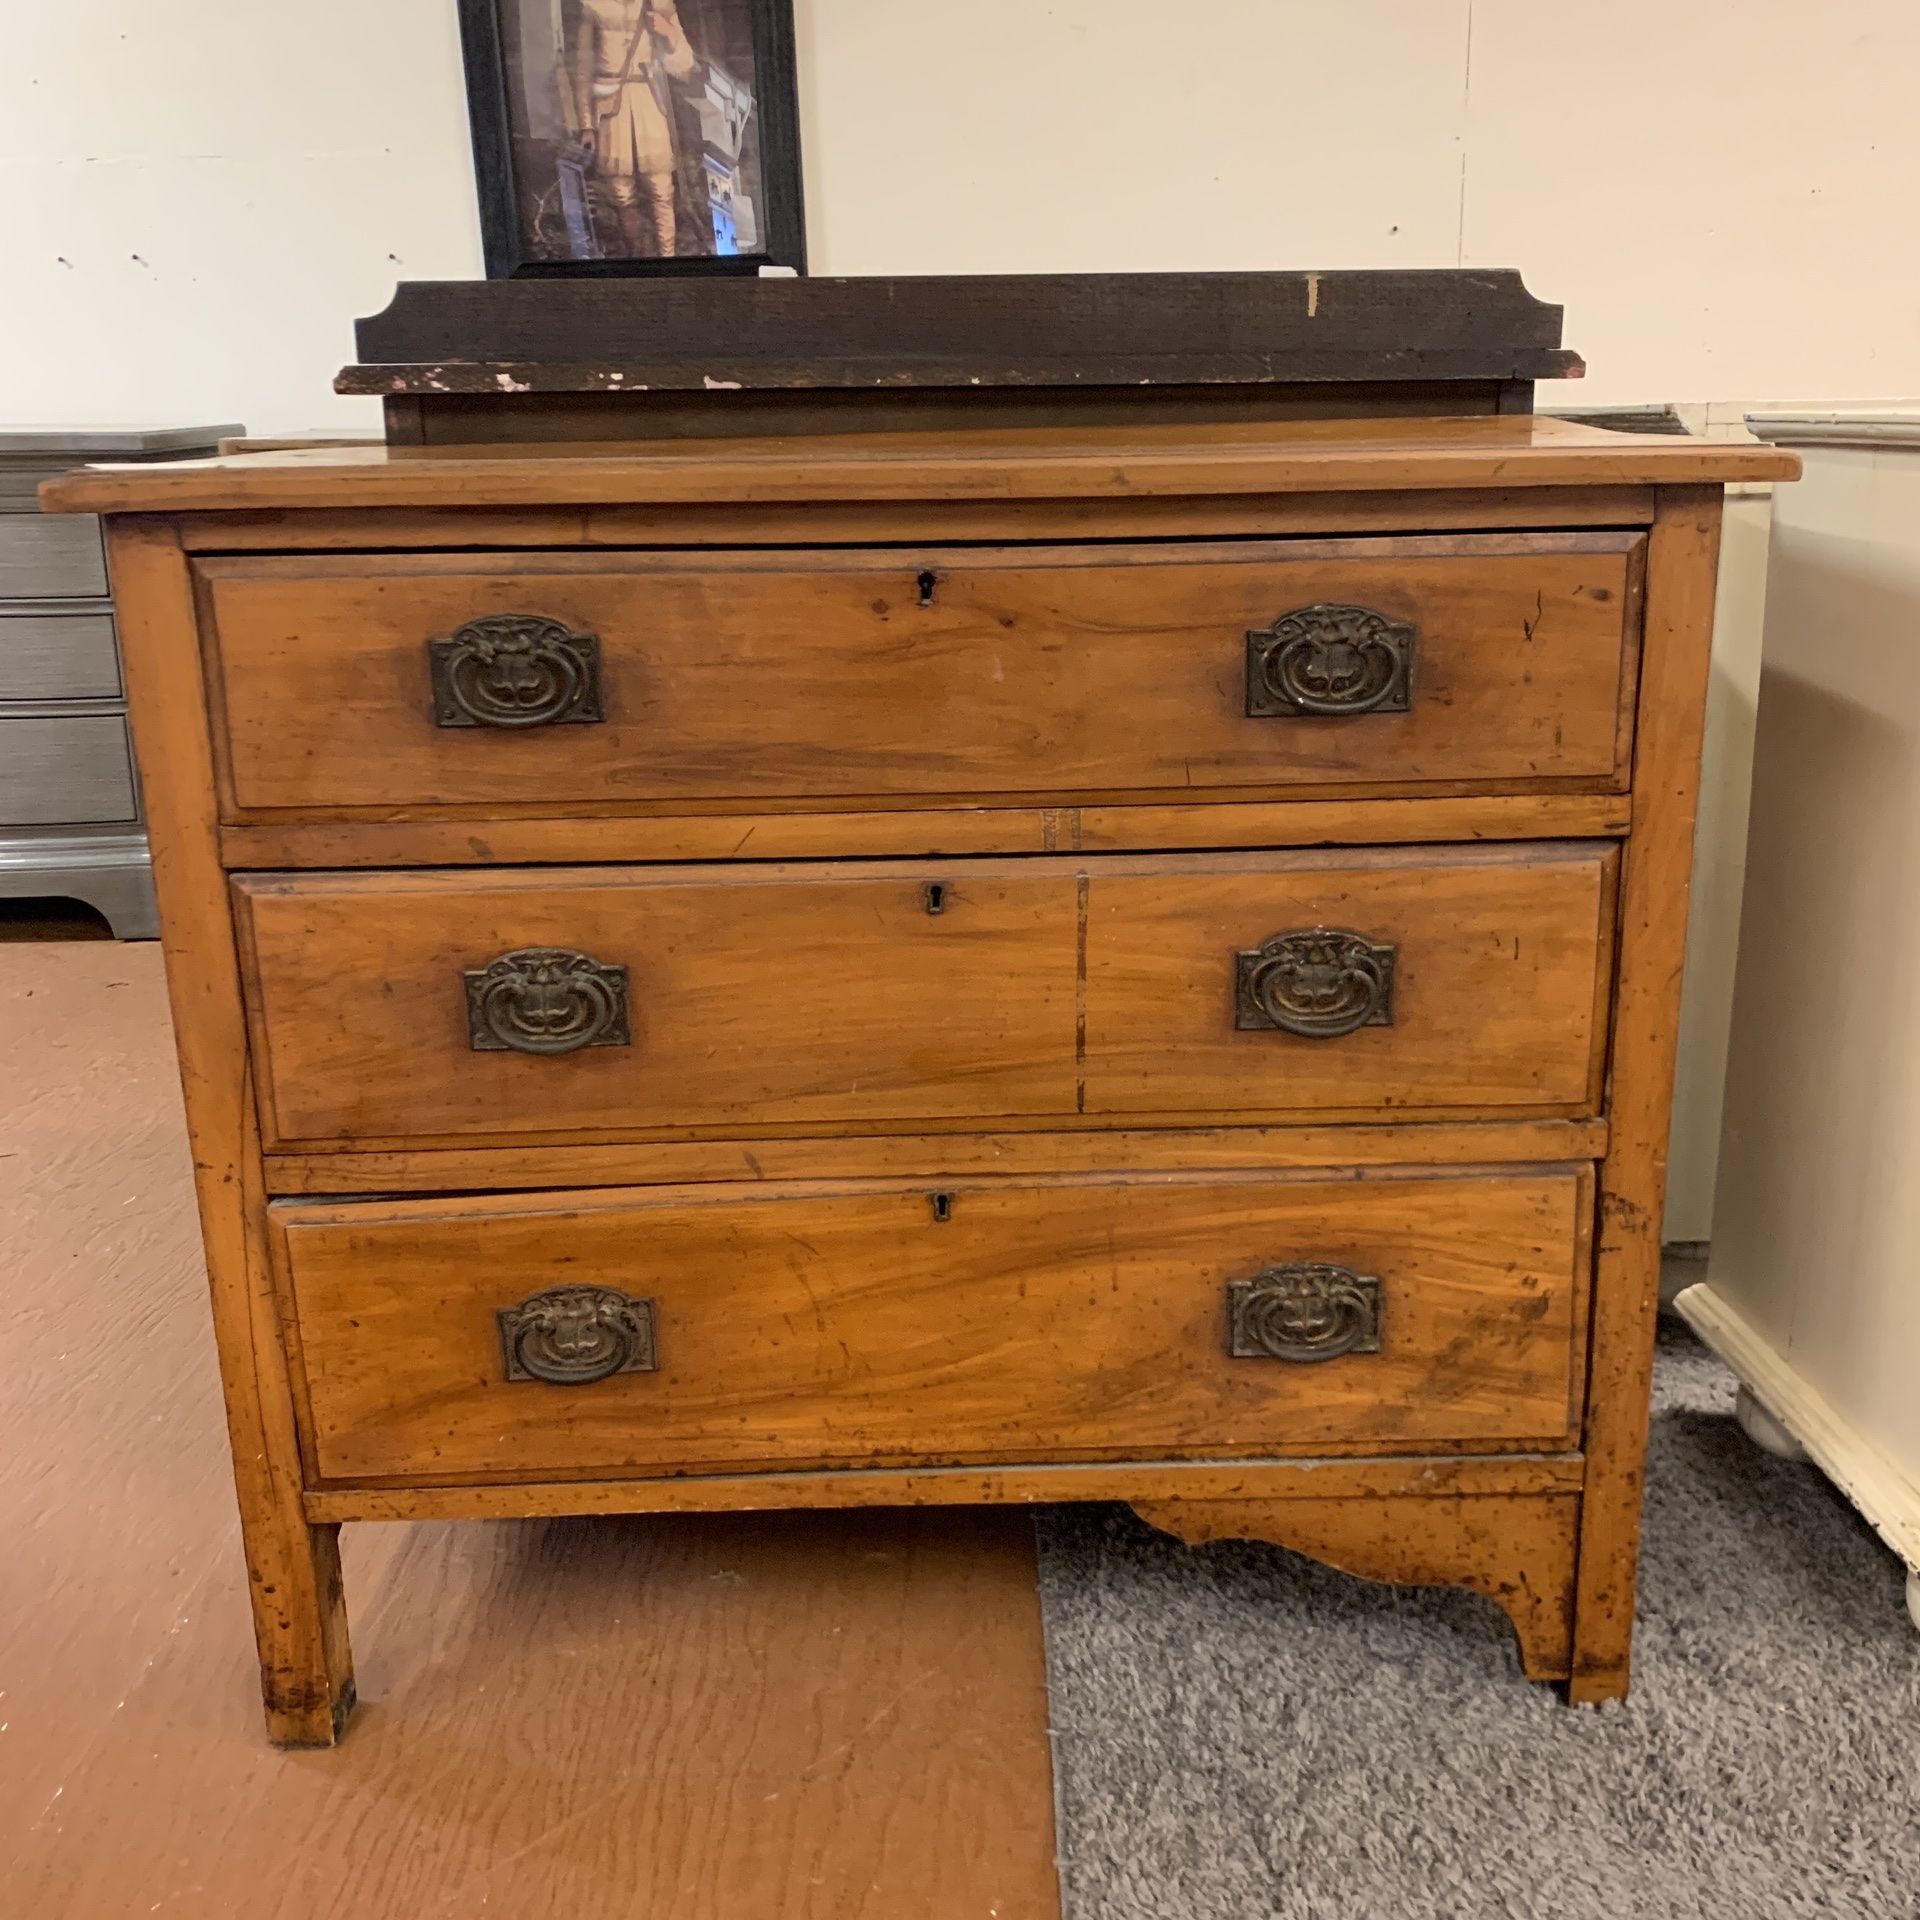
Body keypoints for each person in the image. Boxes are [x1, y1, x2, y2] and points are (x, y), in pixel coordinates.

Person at [571, 0, 699, 257]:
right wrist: (586, 124)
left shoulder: (660, 3)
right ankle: (638, 258)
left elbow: (684, 65)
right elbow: (583, 68)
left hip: (649, 102)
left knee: (661, 189)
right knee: (621, 194)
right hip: (611, 109)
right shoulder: (594, 6)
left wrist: (669, 33)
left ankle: (668, 263)